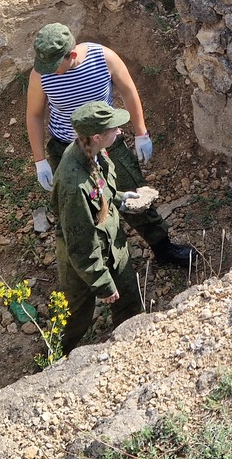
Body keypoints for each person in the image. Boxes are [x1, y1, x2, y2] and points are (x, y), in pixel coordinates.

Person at [26, 23, 197, 266]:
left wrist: (141, 133)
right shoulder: (40, 75)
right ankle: (96, 265)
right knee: (78, 207)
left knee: (134, 193)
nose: (49, 72)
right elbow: (34, 115)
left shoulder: (103, 58)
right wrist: (40, 161)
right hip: (67, 148)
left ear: (71, 55)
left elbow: (129, 91)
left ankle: (163, 248)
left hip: (107, 143)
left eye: (54, 67)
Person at [52, 100, 144, 355]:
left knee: (129, 302)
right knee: (75, 315)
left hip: (112, 242)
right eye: (114, 129)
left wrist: (121, 198)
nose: (119, 132)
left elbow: (102, 189)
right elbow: (80, 245)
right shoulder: (74, 184)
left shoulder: (94, 150)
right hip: (83, 259)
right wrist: (102, 284)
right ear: (96, 136)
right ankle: (54, 359)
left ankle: (131, 352)